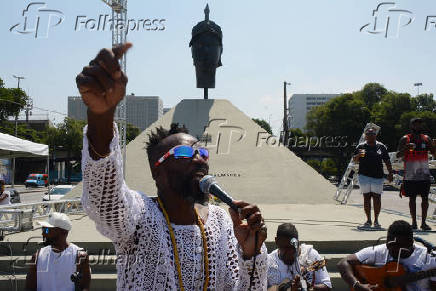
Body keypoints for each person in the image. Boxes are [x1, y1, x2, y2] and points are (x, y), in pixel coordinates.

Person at [75, 43, 268, 290]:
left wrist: (251, 254)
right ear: (157, 170)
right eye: (185, 152)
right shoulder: (140, 216)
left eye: (202, 152)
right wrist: (100, 116)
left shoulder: (223, 222)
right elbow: (105, 199)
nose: (199, 158)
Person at [337, 220, 436, 291]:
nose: (393, 249)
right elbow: (343, 263)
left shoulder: (428, 258)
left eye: (398, 246)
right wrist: (356, 285)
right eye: (390, 244)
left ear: (410, 242)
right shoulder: (380, 250)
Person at [25, 212, 91, 291]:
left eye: (46, 230)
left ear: (63, 232)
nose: (43, 233)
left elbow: (85, 287)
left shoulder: (80, 256)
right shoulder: (37, 257)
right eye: (43, 229)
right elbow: (30, 288)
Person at [397, 117, 436, 231]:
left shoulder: (426, 138)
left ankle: (423, 223)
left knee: (425, 199)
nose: (418, 126)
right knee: (412, 199)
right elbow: (398, 155)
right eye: (415, 124)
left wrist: (434, 146)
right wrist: (406, 148)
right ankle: (413, 222)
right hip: (410, 174)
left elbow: (434, 154)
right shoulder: (405, 138)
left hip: (424, 174)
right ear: (411, 126)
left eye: (419, 124)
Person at [267, 223, 332, 290]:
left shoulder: (310, 255)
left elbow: (327, 286)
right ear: (276, 241)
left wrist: (308, 286)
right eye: (285, 248)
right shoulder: (268, 262)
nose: (290, 253)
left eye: (293, 248)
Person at [353, 127, 393, 228]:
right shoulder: (361, 146)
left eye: (372, 134)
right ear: (365, 136)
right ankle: (368, 220)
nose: (370, 135)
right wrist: (358, 155)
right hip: (364, 175)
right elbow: (355, 160)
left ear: (375, 135)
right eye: (368, 134)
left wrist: (390, 173)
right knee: (366, 197)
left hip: (377, 176)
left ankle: (376, 220)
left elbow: (387, 161)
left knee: (377, 198)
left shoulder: (381, 146)